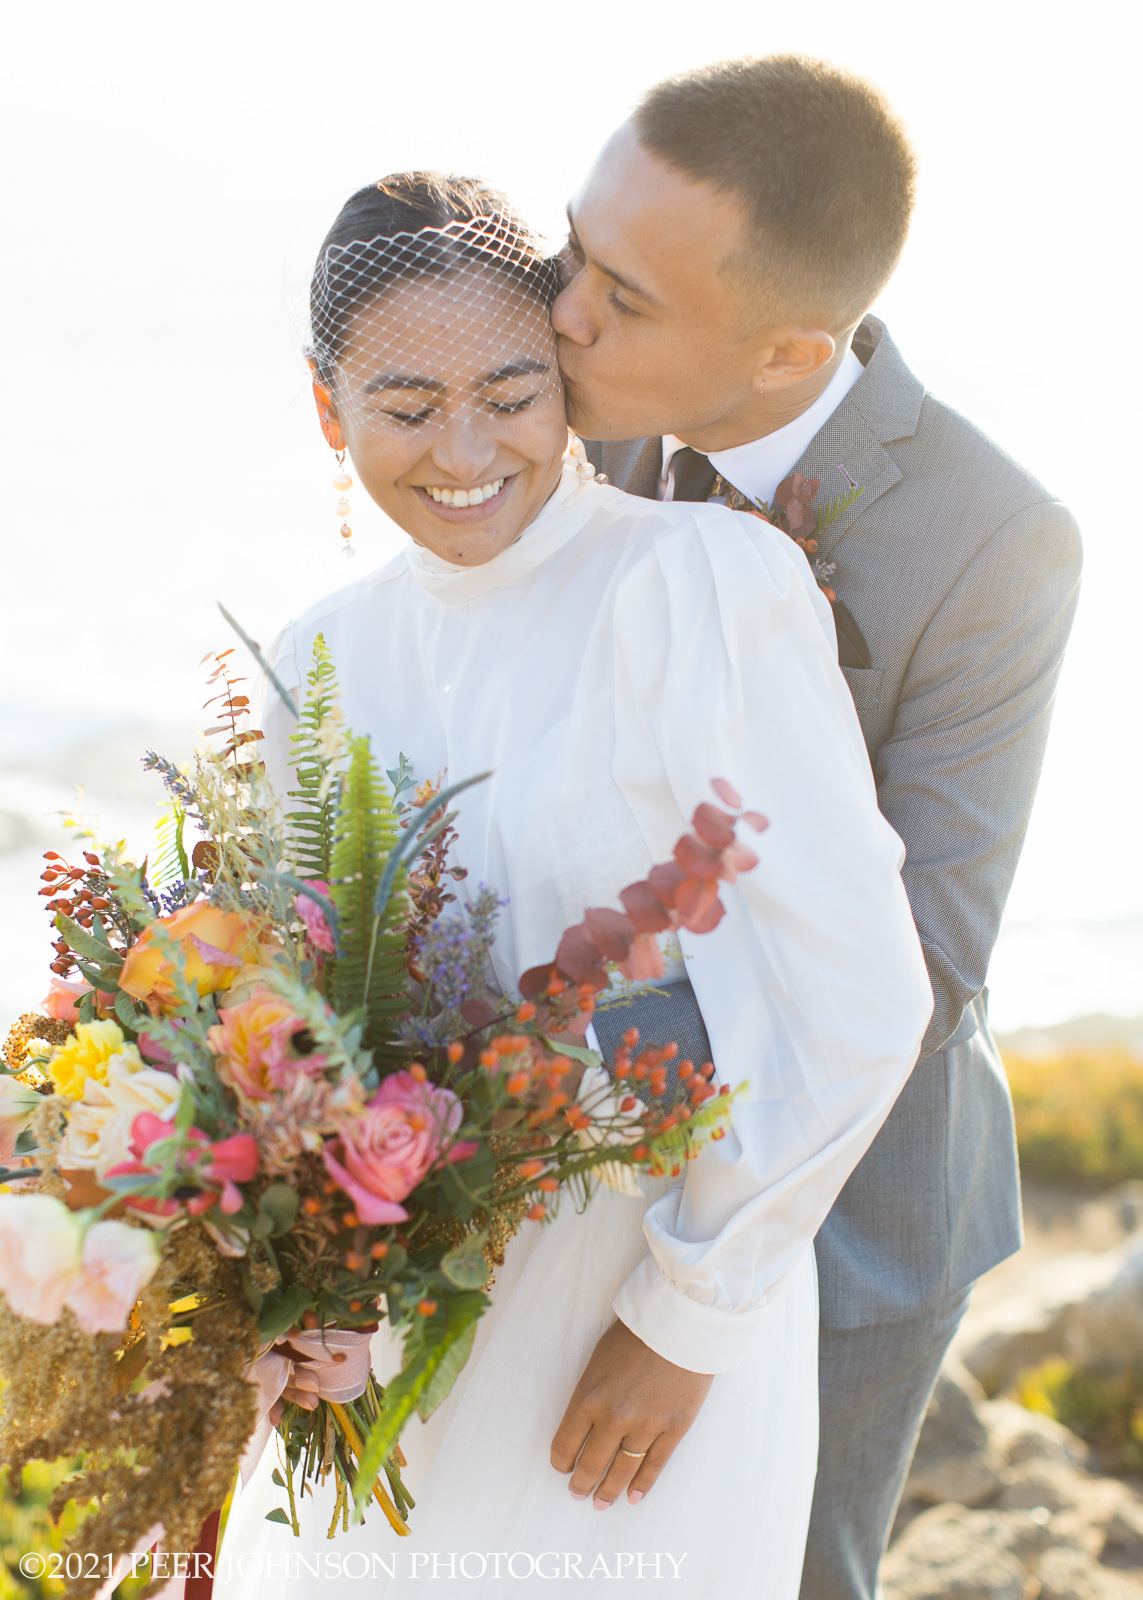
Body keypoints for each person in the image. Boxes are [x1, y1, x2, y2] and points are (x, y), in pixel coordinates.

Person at [215, 172, 932, 1598]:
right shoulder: (317, 659)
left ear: (573, 379)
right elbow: (283, 1015)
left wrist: (687, 1322)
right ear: (325, 408)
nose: (467, 450)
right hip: (396, 1339)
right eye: (407, 408)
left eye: (514, 392)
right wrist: (303, 1288)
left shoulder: (700, 585)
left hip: (635, 1304)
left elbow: (850, 989)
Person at [554, 55, 1083, 1600]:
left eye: (624, 296)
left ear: (790, 349)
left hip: (845, 1215)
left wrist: (565, 1078)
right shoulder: (561, 416)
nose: (566, 312)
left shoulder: (994, 542)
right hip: (559, 1172)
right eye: (569, 249)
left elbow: (929, 954)